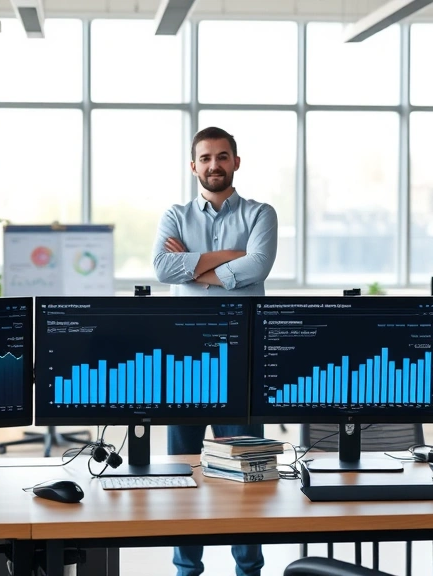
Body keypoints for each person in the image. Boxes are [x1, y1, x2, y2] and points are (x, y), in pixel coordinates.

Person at [152, 126, 278, 576]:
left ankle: (249, 570)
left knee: (248, 476)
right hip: (185, 362)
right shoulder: (175, 214)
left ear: (236, 163)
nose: (213, 165)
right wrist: (229, 257)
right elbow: (163, 266)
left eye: (222, 157)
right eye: (205, 158)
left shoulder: (262, 213)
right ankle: (187, 569)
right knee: (182, 474)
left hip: (241, 361)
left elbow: (258, 264)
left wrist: (194, 267)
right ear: (193, 166)